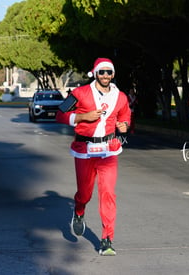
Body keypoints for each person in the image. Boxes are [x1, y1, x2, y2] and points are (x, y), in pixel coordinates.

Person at [56, 57, 131, 256]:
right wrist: (82, 117)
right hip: (84, 150)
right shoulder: (80, 93)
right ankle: (79, 211)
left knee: (108, 192)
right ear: (95, 73)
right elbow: (60, 113)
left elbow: (125, 115)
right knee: (85, 193)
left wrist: (125, 126)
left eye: (109, 72)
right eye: (102, 72)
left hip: (109, 149)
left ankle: (107, 239)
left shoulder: (120, 96)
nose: (105, 75)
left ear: (113, 74)